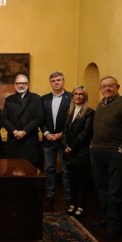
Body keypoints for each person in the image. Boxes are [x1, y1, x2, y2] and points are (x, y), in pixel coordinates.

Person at [90, 76, 122, 240]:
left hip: (116, 154)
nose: (107, 88)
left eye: (110, 85)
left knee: (115, 191)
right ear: (100, 89)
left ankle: (115, 227)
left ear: (118, 86)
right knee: (101, 188)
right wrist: (92, 144)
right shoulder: (100, 105)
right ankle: (107, 218)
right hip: (97, 152)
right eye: (103, 86)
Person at [61, 86, 95, 218]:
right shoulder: (69, 111)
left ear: (85, 97)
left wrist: (72, 147)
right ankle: (72, 204)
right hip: (68, 152)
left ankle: (81, 206)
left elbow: (85, 133)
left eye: (81, 94)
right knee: (71, 181)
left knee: (82, 182)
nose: (78, 96)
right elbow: (64, 130)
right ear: (72, 96)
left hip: (81, 153)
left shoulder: (89, 112)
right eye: (76, 94)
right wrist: (65, 145)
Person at [41, 71, 72, 208]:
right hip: (48, 139)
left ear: (63, 81)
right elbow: (40, 118)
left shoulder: (71, 97)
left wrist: (62, 134)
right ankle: (49, 196)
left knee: (66, 170)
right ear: (50, 83)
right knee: (49, 169)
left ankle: (68, 198)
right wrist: (46, 133)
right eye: (53, 81)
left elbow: (73, 120)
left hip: (65, 140)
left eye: (59, 80)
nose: (56, 83)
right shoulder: (44, 98)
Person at [2, 74, 43, 166]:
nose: (21, 86)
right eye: (18, 83)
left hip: (29, 139)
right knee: (12, 169)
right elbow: (4, 118)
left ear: (27, 84)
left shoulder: (36, 98)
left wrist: (24, 131)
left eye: (23, 83)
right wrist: (14, 131)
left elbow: (39, 118)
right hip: (13, 139)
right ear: (15, 85)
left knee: (30, 170)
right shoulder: (9, 99)